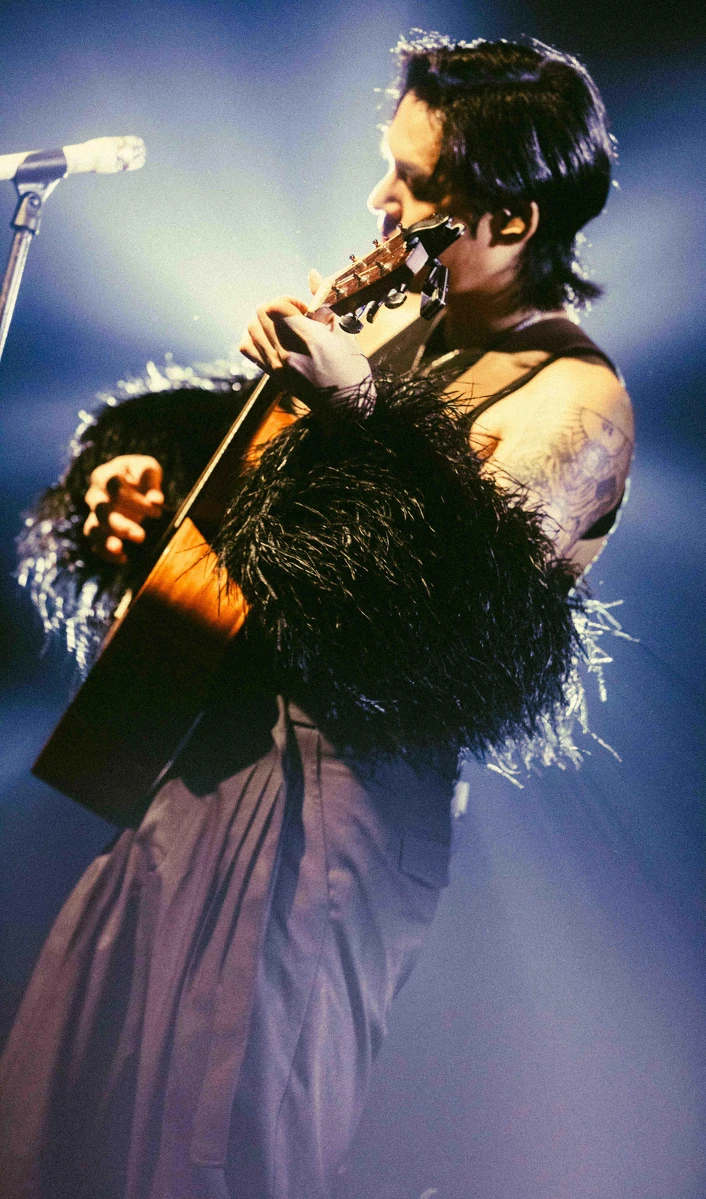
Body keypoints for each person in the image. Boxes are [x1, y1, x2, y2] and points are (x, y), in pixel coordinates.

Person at [0, 34, 633, 1199]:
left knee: (221, 1136)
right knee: (70, 1109)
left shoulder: (575, 397)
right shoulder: (397, 325)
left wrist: (367, 405)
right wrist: (139, 479)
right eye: (388, 165)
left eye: (416, 183)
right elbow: (254, 510)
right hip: (197, 764)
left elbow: (467, 608)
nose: (380, 200)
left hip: (332, 806)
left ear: (509, 219)